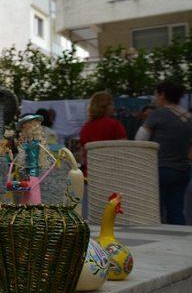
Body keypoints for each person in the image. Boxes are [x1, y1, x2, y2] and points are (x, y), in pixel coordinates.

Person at [135, 81, 192, 225]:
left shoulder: (159, 114)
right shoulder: (188, 117)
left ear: (162, 95)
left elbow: (140, 139)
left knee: (155, 211)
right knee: (177, 210)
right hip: (183, 169)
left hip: (160, 169)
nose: (155, 98)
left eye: (156, 94)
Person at [79, 92, 127, 174]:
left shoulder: (85, 127)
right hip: (113, 172)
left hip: (92, 172)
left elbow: (82, 155)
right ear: (103, 107)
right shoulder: (115, 124)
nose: (114, 107)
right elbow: (125, 148)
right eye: (111, 104)